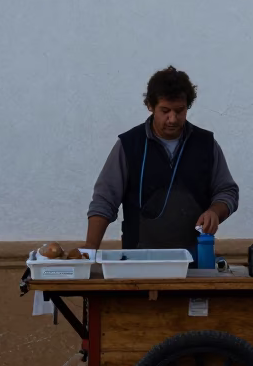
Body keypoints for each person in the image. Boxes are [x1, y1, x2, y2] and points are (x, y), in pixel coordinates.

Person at [86, 67, 238, 255]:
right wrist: (89, 252)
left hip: (195, 262)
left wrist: (215, 211)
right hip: (139, 261)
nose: (173, 119)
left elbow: (227, 191)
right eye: (165, 110)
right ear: (150, 106)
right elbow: (105, 199)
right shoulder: (129, 145)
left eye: (180, 110)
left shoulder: (206, 144)